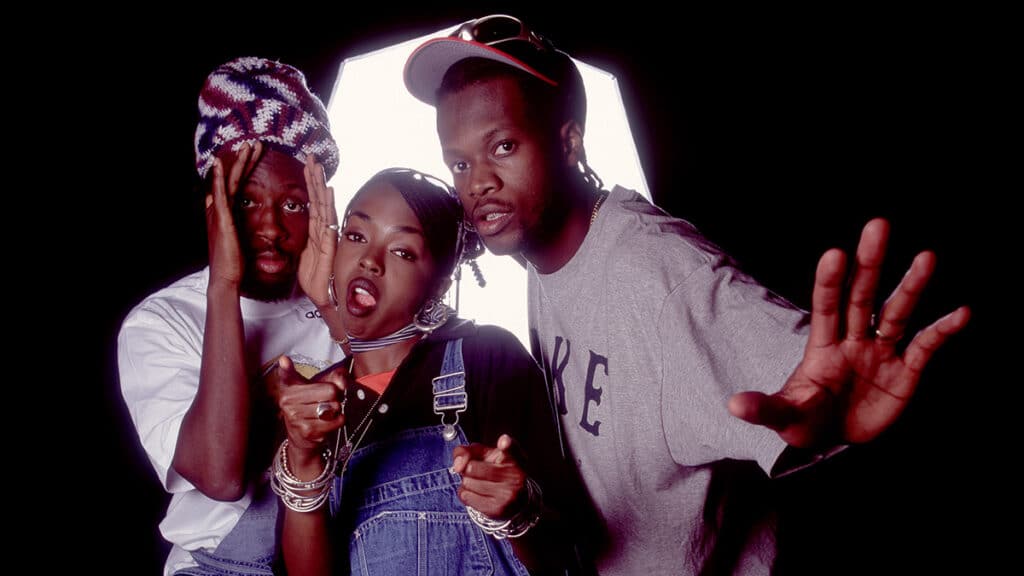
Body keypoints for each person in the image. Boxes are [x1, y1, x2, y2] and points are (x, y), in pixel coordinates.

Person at [402, 14, 972, 575]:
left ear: (568, 142)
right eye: (459, 162)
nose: (478, 181)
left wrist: (839, 406)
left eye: (502, 146)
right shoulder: (544, 257)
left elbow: (814, 384)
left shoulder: (662, 274)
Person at [271, 167, 581, 575]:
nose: (369, 260)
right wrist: (304, 460)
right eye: (356, 235)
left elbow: (566, 556)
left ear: (438, 284)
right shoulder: (311, 405)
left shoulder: (487, 359)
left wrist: (518, 511)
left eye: (403, 251)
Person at [117, 56, 345, 575]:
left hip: (335, 548)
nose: (269, 226)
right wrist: (224, 284)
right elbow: (221, 477)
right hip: (218, 563)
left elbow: (398, 416)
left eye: (291, 204)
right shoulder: (161, 321)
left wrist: (330, 304)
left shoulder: (341, 309)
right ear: (214, 205)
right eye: (246, 201)